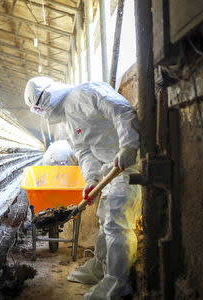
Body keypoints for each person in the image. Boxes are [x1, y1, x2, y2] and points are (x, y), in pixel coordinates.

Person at [24, 77, 141, 299]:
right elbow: (84, 153)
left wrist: (128, 145)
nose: (43, 112)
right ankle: (100, 267)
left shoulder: (87, 92)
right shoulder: (67, 120)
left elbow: (122, 110)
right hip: (109, 169)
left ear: (49, 94)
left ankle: (118, 282)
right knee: (105, 218)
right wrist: (91, 180)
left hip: (127, 164)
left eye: (41, 105)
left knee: (117, 223)